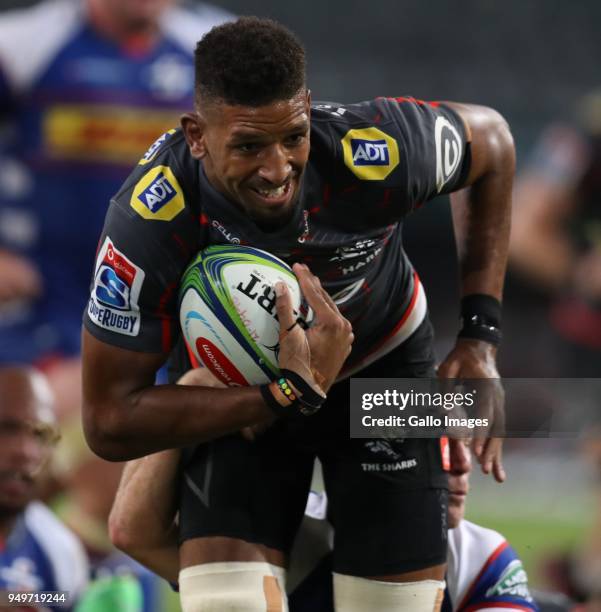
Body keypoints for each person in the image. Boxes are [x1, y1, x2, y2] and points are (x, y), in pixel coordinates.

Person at [81, 17, 515, 611]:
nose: (277, 168)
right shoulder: (149, 221)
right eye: (248, 146)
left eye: (293, 136)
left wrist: (480, 339)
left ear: (309, 107)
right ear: (197, 135)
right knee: (226, 604)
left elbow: (494, 142)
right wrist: (282, 395)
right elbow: (106, 424)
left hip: (383, 373)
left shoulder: (379, 150)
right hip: (246, 387)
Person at [107, 372, 539, 611]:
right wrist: (186, 399)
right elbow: (132, 531)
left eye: (463, 444)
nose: (461, 466)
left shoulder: (481, 558)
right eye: (438, 446)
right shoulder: (300, 531)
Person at [0, 366, 89, 609]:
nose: (26, 451)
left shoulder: (59, 549)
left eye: (41, 435)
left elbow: (57, 599)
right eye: (6, 429)